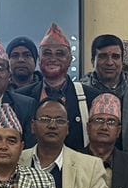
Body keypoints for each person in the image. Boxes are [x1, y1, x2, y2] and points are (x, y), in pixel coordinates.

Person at [82, 33, 128, 157]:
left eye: (115, 57)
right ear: (93, 61)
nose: (110, 62)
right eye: (103, 56)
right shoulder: (80, 91)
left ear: (122, 61)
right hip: (86, 163)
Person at [32, 22, 91, 152]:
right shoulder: (22, 97)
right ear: (39, 60)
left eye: (60, 54)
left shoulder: (90, 97)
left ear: (70, 60)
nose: (53, 59)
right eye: (47, 53)